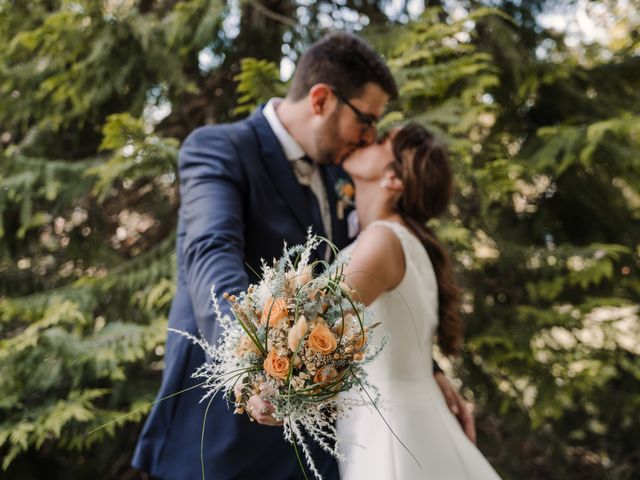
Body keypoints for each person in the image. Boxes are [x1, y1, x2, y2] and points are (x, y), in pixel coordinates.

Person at [132, 32, 472, 479]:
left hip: (311, 439)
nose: (370, 136)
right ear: (321, 100)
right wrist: (250, 366)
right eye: (366, 120)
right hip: (222, 429)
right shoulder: (221, 148)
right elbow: (211, 256)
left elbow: (356, 289)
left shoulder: (340, 169)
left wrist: (420, 368)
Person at [335, 123, 501, 478]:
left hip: (389, 440)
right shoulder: (403, 240)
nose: (367, 137)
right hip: (412, 422)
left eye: (381, 141)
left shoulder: (382, 240)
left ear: (394, 180)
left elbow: (313, 315)